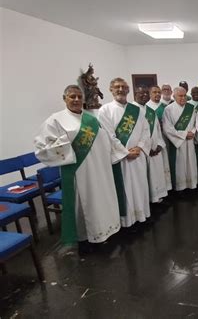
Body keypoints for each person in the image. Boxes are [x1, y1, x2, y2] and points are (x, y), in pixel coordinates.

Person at [34, 85, 126, 248]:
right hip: (78, 170)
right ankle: (87, 236)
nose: (76, 99)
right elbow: (42, 148)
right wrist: (67, 145)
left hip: (99, 168)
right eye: (72, 96)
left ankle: (105, 229)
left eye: (79, 96)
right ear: (65, 99)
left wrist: (120, 152)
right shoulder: (55, 120)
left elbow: (105, 140)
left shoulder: (91, 119)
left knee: (100, 199)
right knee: (86, 201)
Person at [98, 78, 151, 228]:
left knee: (140, 186)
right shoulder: (105, 110)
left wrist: (139, 147)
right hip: (121, 159)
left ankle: (142, 216)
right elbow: (108, 135)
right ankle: (128, 222)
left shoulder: (137, 110)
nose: (120, 89)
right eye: (117, 87)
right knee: (126, 189)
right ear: (111, 89)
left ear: (128, 90)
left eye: (123, 87)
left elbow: (146, 131)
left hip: (137, 156)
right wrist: (125, 152)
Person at [134, 86, 169, 203]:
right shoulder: (132, 110)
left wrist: (159, 144)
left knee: (156, 175)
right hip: (142, 151)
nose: (144, 95)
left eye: (145, 93)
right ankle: (147, 201)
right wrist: (146, 148)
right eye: (141, 93)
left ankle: (157, 197)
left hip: (155, 149)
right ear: (135, 94)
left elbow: (158, 130)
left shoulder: (151, 111)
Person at [162, 87, 198, 191]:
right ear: (174, 96)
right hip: (178, 143)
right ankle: (180, 188)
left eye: (184, 96)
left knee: (191, 163)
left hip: (190, 141)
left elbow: (197, 123)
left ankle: (192, 185)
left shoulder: (191, 108)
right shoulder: (168, 109)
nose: (183, 98)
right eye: (180, 96)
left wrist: (193, 132)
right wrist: (184, 134)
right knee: (179, 165)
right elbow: (167, 128)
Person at [146, 86, 172, 192]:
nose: (157, 94)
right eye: (154, 92)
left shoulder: (164, 106)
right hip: (151, 142)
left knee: (165, 165)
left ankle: (165, 190)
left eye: (158, 92)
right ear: (150, 94)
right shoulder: (146, 107)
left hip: (164, 139)